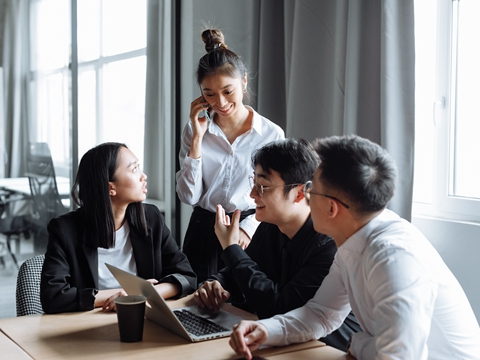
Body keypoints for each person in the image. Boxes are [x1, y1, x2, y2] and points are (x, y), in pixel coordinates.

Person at [229, 135, 480, 359]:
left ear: (331, 208)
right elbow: (321, 313)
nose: (304, 197)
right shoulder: (352, 240)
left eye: (311, 191)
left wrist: (360, 346)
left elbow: (397, 357)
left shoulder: (393, 258)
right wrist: (266, 329)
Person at [193, 138, 361, 351]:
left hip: (327, 350)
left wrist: (232, 248)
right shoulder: (271, 225)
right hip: (280, 346)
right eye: (253, 183)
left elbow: (280, 309)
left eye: (263, 186)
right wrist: (217, 284)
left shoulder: (328, 245)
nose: (253, 194)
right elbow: (241, 274)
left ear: (300, 193)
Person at [176, 28, 284, 283]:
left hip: (250, 230)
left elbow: (275, 192)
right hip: (203, 230)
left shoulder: (271, 134)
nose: (220, 103)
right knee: (195, 303)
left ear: (244, 81)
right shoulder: (194, 129)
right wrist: (197, 140)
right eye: (209, 94)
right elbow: (188, 195)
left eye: (228, 91)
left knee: (244, 304)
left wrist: (248, 230)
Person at [41, 142, 196, 314]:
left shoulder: (151, 218)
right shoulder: (65, 230)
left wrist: (143, 293)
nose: (143, 176)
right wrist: (119, 295)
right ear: (110, 188)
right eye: (134, 169)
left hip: (143, 320)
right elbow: (53, 297)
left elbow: (187, 277)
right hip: (87, 326)